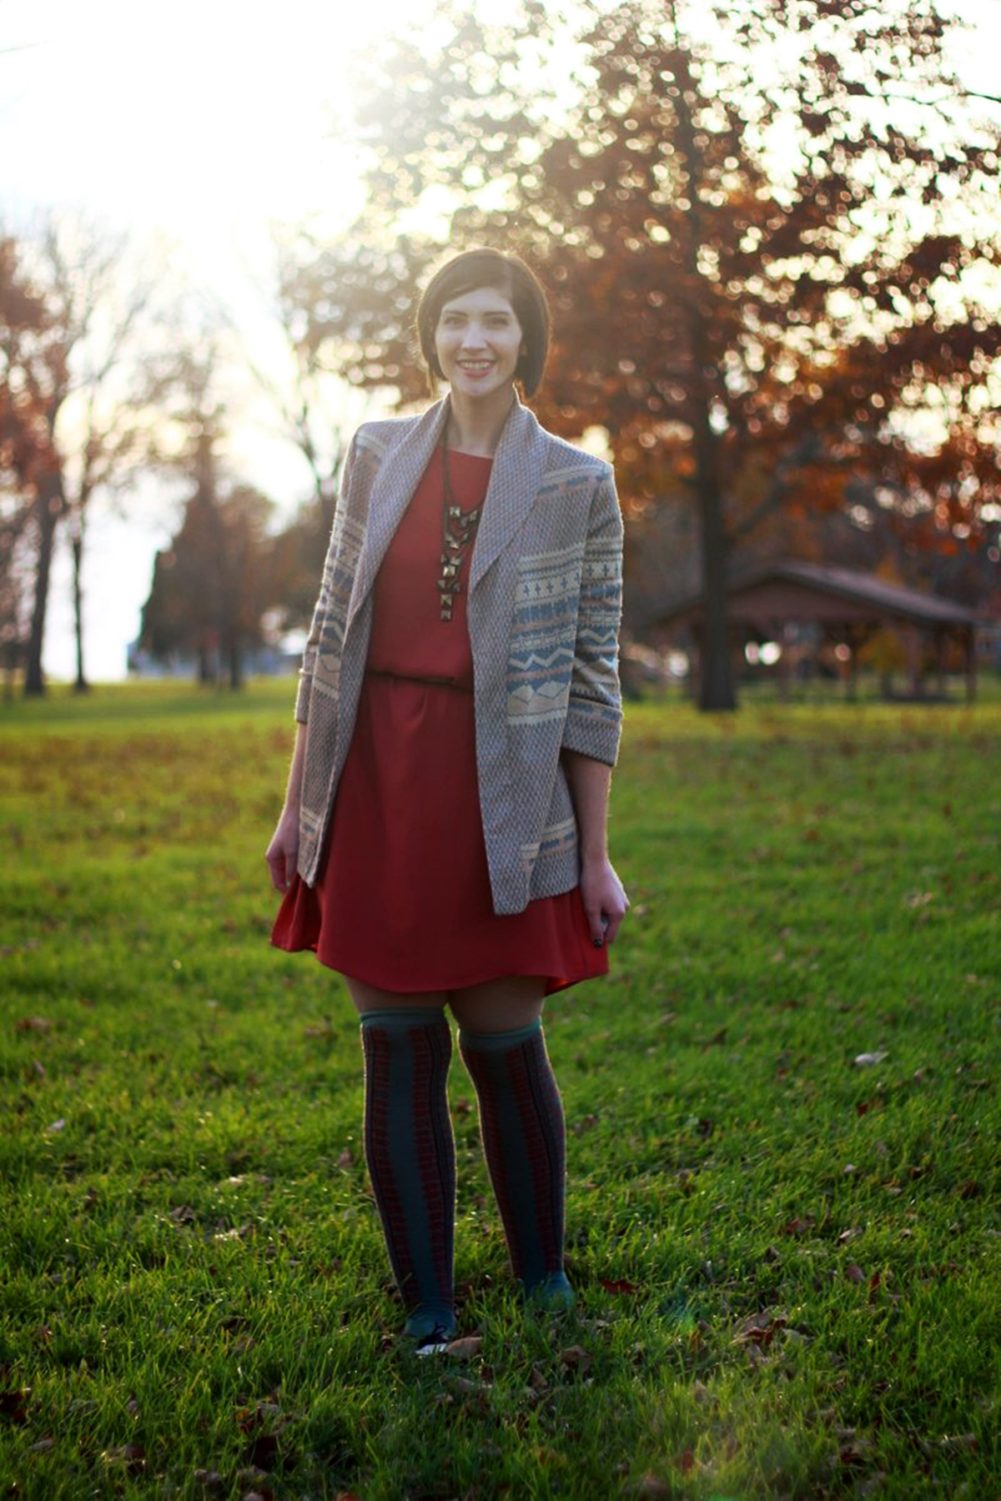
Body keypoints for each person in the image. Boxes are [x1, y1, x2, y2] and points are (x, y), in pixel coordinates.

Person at [265, 247, 628, 1355]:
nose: (474, 339)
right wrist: (296, 812)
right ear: (431, 336)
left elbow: (591, 677)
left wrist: (598, 854)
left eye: (497, 322)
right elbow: (328, 640)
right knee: (397, 1040)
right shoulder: (375, 454)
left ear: (525, 341)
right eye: (456, 320)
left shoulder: (576, 481)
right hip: (377, 777)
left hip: (503, 784)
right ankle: (425, 1300)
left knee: (504, 1036)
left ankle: (542, 1279)